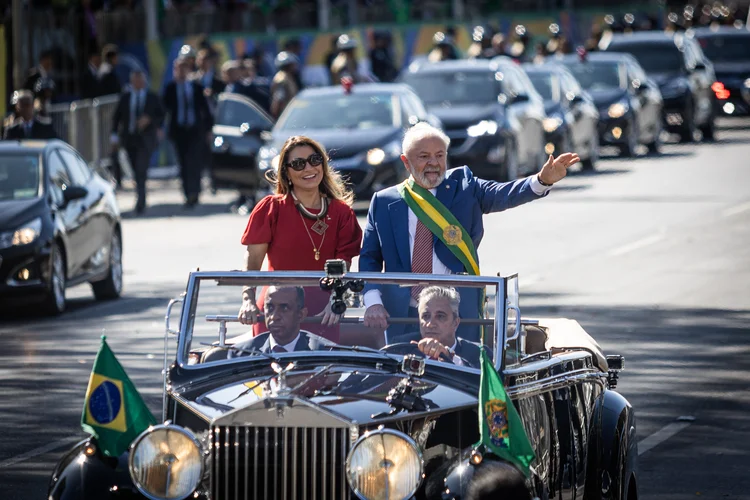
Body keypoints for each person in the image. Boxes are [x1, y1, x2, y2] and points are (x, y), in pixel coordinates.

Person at [359, 123, 579, 342]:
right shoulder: (385, 201)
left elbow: (503, 193)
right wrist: (373, 301)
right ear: (406, 162)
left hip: (457, 311)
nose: (433, 163)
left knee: (462, 372)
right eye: (424, 156)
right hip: (403, 312)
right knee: (403, 373)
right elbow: (370, 258)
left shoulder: (464, 186)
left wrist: (541, 180)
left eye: (439, 155)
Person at [236, 135, 362, 342]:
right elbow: (253, 262)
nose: (308, 169)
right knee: (271, 372)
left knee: (322, 373)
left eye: (314, 160)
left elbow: (344, 267)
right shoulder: (271, 209)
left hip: (322, 315)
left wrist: (337, 301)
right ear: (286, 172)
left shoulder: (342, 213)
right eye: (298, 164)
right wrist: (247, 300)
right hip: (276, 311)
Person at [111, 70, 165, 214]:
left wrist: (150, 120)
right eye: (135, 80)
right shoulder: (126, 97)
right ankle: (140, 193)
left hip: (146, 139)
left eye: (140, 80)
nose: (138, 83)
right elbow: (117, 117)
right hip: (129, 138)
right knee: (135, 169)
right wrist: (114, 136)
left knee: (142, 168)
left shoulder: (152, 97)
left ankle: (141, 199)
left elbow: (161, 115)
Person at [162, 57, 214, 208]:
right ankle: (187, 193)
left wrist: (209, 129)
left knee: (195, 162)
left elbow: (205, 109)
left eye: (184, 69)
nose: (181, 72)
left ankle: (195, 192)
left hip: (195, 130)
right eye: (178, 69)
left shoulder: (196, 86)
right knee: (183, 163)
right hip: (179, 131)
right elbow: (164, 108)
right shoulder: (171, 88)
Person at [403, 286, 481, 368]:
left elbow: (481, 378)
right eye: (426, 316)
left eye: (440, 316)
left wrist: (450, 357)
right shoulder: (402, 347)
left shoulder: (478, 354)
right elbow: (390, 378)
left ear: (455, 323)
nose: (430, 324)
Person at [229, 286, 313, 357]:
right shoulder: (241, 354)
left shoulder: (321, 353)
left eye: (284, 308)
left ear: (301, 315)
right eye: (270, 308)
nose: (274, 316)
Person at [270, 51, 300, 119]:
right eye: (293, 64)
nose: (295, 66)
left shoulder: (288, 77)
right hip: (285, 116)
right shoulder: (281, 80)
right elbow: (277, 101)